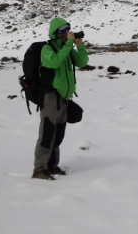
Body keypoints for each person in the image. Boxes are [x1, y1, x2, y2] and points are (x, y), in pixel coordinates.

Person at [32, 17, 89, 180]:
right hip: (50, 97)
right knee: (47, 133)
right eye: (62, 31)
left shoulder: (67, 48)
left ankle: (52, 166)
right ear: (54, 33)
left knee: (58, 135)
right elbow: (55, 62)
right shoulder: (47, 49)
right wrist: (68, 45)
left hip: (64, 98)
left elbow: (82, 62)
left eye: (67, 30)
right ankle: (39, 169)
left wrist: (79, 46)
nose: (65, 34)